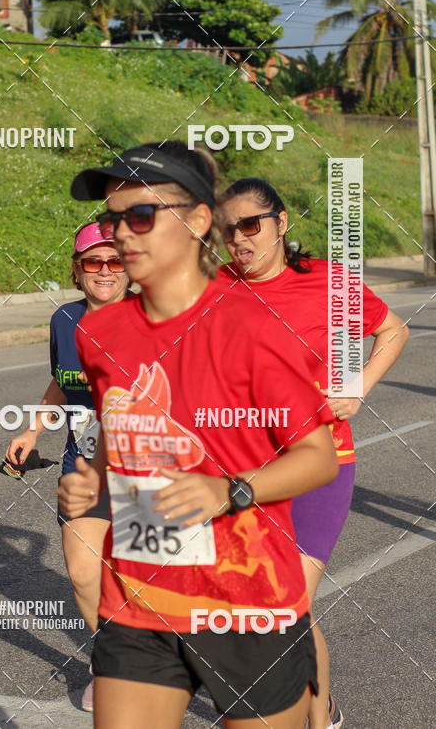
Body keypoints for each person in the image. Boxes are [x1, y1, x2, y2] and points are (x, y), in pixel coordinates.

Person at [58, 141, 340, 729]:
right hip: (138, 599)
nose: (122, 233)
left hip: (248, 603)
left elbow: (318, 457)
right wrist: (95, 477)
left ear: (198, 220)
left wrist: (227, 490)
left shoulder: (254, 326)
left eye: (141, 215)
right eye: (113, 218)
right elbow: (120, 420)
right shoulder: (99, 332)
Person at [217, 177, 409, 729]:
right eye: (229, 231)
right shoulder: (214, 289)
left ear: (280, 224)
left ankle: (317, 719)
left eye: (250, 225)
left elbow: (393, 331)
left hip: (322, 466)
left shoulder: (326, 282)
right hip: (247, 473)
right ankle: (315, 709)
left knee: (288, 604)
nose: (239, 239)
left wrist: (359, 386)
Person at [5, 222, 129, 712]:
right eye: (93, 261)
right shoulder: (64, 320)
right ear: (77, 271)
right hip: (83, 464)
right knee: (82, 574)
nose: (105, 270)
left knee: (139, 579)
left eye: (115, 260)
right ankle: (111, 661)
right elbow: (63, 381)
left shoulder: (153, 318)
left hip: (144, 467)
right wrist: (33, 430)